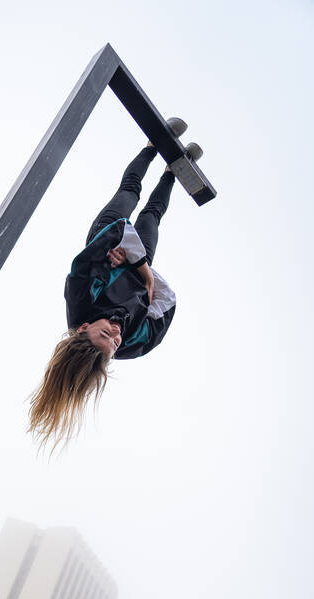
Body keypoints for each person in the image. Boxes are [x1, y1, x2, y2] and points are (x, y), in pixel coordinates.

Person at [29, 118, 202, 447]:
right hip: (140, 263)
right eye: (116, 340)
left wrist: (142, 271)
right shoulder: (134, 343)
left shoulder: (79, 299)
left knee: (129, 193)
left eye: (105, 333)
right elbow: (168, 301)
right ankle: (173, 170)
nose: (117, 332)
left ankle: (151, 148)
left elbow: (119, 229)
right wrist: (143, 270)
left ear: (84, 328)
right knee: (152, 215)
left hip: (109, 233)